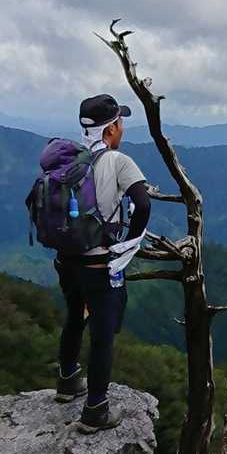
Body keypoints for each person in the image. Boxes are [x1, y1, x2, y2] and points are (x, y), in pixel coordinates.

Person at [53, 93, 151, 431]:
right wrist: (128, 245)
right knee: (102, 335)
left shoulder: (66, 158)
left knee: (74, 316)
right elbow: (143, 205)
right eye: (120, 122)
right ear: (110, 129)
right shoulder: (118, 161)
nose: (122, 128)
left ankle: (67, 381)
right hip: (99, 264)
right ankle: (95, 409)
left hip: (66, 260)